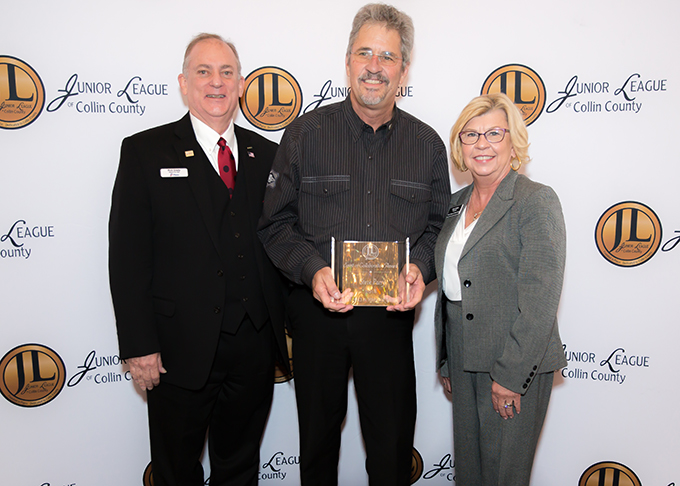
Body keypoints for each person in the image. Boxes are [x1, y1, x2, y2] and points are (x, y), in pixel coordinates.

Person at [258, 4, 450, 485]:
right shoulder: (304, 135)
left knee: (391, 450)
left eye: (387, 56)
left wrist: (419, 269)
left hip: (389, 321)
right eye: (365, 53)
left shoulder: (427, 145)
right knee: (317, 448)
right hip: (316, 316)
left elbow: (437, 228)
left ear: (404, 69)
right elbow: (275, 223)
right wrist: (312, 270)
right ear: (347, 61)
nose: (374, 66)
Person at [108, 33, 287, 486]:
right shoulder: (145, 152)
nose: (216, 82)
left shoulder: (268, 155)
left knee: (240, 467)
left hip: (253, 345)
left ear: (241, 84)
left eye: (227, 72)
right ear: (184, 84)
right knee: (176, 471)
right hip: (176, 350)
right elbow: (128, 258)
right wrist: (138, 345)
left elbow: (281, 239)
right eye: (203, 72)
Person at [434, 93, 567, 485]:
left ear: (513, 141)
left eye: (494, 133)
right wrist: (447, 359)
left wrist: (511, 375)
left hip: (513, 361)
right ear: (459, 145)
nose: (482, 144)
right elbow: (451, 286)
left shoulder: (535, 200)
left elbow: (541, 299)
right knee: (470, 475)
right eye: (471, 135)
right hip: (463, 358)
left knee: (503, 476)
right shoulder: (456, 204)